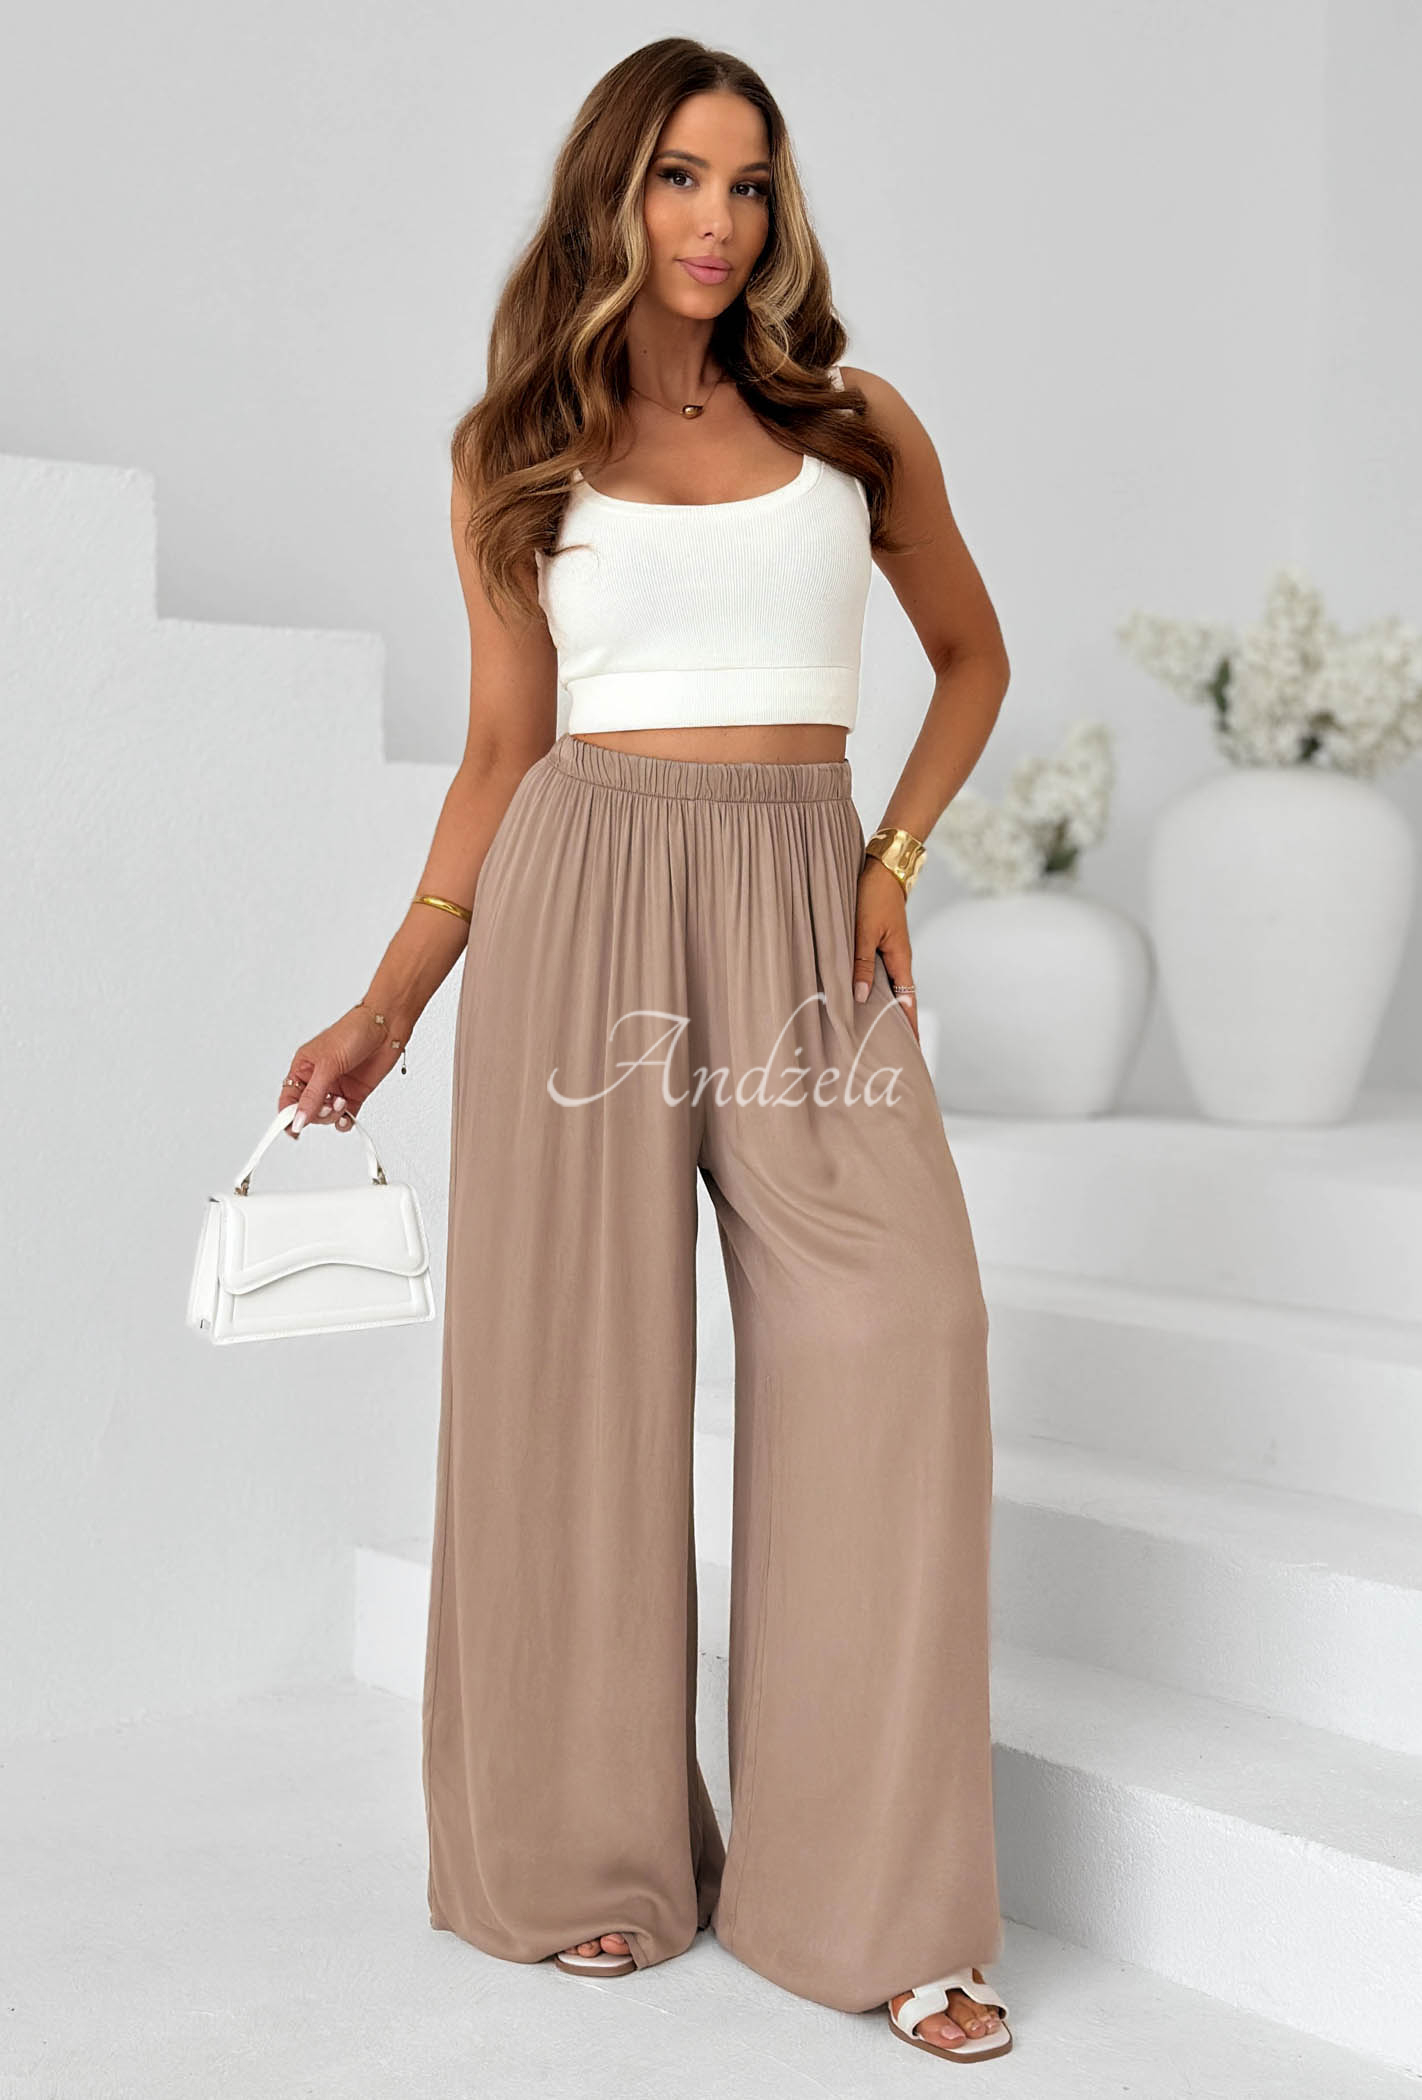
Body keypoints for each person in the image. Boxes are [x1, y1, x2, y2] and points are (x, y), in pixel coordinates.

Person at [278, 36, 1013, 2068]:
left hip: (800, 902)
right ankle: (587, 1858)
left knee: (902, 1331)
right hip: (582, 898)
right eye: (682, 177)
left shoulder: (853, 423)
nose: (718, 220)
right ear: (611, 193)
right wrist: (390, 999)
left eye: (750, 184)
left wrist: (893, 857)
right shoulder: (515, 445)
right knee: (569, 1388)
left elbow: (971, 655)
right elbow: (501, 751)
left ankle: (873, 1909)